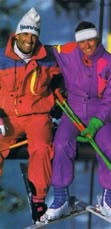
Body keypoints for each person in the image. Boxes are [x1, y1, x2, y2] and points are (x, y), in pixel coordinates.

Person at [44, 21, 111, 225]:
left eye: (90, 40)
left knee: (110, 145)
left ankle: (110, 198)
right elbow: (43, 53)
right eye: (82, 41)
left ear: (97, 39)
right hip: (72, 112)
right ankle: (61, 197)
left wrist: (96, 123)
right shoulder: (68, 54)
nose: (87, 45)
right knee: (62, 143)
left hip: (100, 115)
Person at [0, 8, 61, 223]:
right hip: (7, 118)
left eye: (33, 35)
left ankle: (38, 199)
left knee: (42, 147)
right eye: (25, 34)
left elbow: (72, 68)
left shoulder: (48, 58)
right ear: (17, 35)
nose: (29, 39)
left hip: (37, 115)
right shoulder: (2, 59)